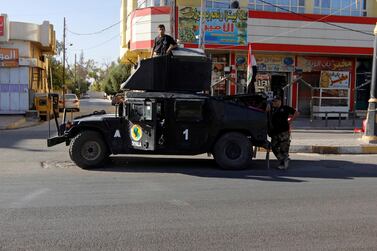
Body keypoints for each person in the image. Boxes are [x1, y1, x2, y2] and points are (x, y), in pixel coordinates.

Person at [266, 95, 299, 170]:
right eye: (273, 101)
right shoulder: (272, 109)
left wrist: (290, 120)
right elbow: (267, 113)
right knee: (274, 147)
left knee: (284, 149)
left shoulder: (285, 108)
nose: (274, 103)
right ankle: (283, 160)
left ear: (279, 101)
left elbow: (296, 113)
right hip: (275, 132)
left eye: (275, 101)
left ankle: (284, 163)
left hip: (284, 132)